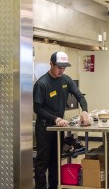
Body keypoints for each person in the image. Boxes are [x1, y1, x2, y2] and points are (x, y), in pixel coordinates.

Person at [33, 51, 89, 189]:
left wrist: (85, 111)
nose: (61, 71)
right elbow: (37, 109)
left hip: (58, 129)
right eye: (59, 67)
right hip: (45, 128)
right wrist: (55, 118)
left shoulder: (66, 80)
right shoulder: (42, 84)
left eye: (64, 68)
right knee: (42, 162)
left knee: (55, 161)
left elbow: (80, 96)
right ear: (51, 64)